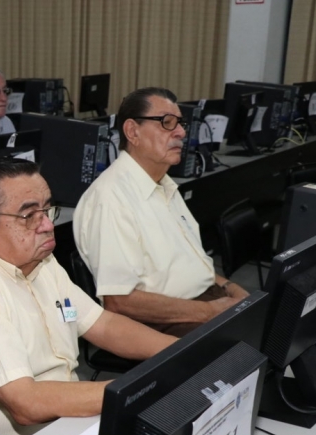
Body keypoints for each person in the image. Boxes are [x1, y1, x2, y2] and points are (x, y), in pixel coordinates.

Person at [0, 158, 176, 435]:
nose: (47, 225)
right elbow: (26, 404)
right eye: (28, 216)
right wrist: (138, 390)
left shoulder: (39, 260)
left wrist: (186, 352)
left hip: (64, 424)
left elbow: (102, 325)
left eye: (47, 209)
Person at [73, 87, 250, 337]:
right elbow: (120, 302)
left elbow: (192, 266)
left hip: (204, 301)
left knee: (278, 321)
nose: (181, 132)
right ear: (133, 131)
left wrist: (230, 287)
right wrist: (209, 311)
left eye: (180, 123)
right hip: (159, 321)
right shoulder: (111, 199)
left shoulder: (165, 186)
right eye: (167, 123)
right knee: (258, 340)